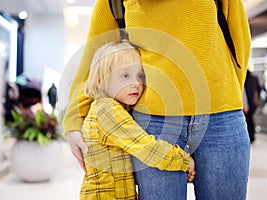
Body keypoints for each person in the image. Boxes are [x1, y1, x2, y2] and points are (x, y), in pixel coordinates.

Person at [62, 0, 251, 199]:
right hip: (154, 122)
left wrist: (226, 95)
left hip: (221, 118)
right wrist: (73, 119)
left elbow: (239, 40)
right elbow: (95, 54)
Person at [79, 40, 195, 199]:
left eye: (140, 75)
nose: (136, 83)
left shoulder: (110, 108)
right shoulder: (107, 110)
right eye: (125, 75)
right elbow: (146, 147)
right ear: (101, 80)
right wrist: (183, 160)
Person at [243, 70, 261, 143]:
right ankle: (252, 135)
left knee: (248, 120)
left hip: (247, 104)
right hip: (252, 103)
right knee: (250, 120)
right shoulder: (254, 78)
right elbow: (259, 90)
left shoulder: (245, 78)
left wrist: (245, 105)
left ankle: (250, 136)